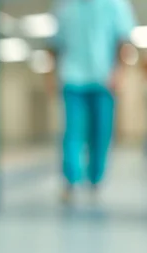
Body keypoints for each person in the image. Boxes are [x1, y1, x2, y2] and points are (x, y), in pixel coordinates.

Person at [47, 0, 136, 203]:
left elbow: (123, 41)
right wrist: (51, 76)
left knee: (101, 133)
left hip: (103, 80)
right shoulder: (64, 6)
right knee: (72, 133)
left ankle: (95, 179)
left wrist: (119, 73)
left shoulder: (115, 5)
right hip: (72, 79)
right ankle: (70, 181)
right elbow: (54, 46)